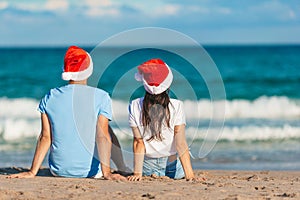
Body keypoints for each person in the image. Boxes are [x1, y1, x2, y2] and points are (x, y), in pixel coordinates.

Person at [8, 46, 127, 180]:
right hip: (91, 173)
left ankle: (119, 167)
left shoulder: (50, 96)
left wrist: (32, 172)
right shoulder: (101, 96)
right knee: (106, 130)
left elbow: (45, 137)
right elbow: (102, 137)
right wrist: (107, 173)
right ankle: (121, 167)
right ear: (88, 70)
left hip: (58, 170)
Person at [128, 58, 201, 181]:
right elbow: (180, 143)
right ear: (168, 82)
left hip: (147, 169)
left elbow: (138, 142)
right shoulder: (177, 105)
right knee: (181, 157)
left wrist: (137, 173)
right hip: (173, 169)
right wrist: (190, 176)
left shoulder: (134, 105)